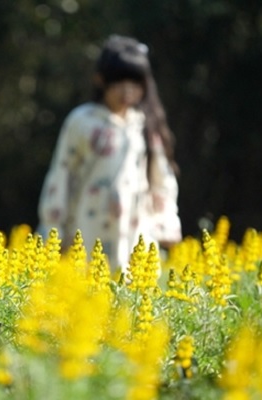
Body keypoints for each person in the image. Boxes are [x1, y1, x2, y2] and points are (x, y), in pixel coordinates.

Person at [37, 35, 182, 273]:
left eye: (135, 83)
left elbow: (161, 179)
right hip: (86, 224)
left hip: (135, 227)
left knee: (130, 293)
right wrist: (54, 226)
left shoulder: (145, 124)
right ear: (100, 80)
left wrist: (166, 222)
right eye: (118, 82)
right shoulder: (81, 121)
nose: (127, 90)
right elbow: (61, 173)